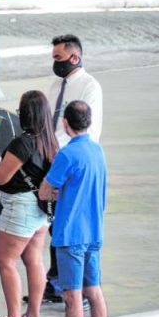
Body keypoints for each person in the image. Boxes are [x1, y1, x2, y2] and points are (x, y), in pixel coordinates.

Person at [0, 90, 59, 317]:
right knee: (33, 260)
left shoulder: (22, 142)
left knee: (4, 260)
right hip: (40, 210)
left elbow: (2, 176)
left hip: (20, 207)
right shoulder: (50, 141)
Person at [37, 101, 108, 317]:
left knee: (72, 296)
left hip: (71, 234)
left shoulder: (67, 155)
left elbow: (45, 191)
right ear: (88, 122)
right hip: (94, 231)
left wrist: (54, 190)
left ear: (65, 123)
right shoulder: (98, 151)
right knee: (94, 291)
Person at [42, 34, 104, 303]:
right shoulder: (56, 85)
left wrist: (58, 152)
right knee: (55, 223)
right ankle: (56, 280)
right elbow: (49, 122)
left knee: (70, 224)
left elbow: (86, 126)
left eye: (58, 58)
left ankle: (70, 285)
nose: (55, 62)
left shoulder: (90, 86)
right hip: (55, 158)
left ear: (74, 57)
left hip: (73, 160)